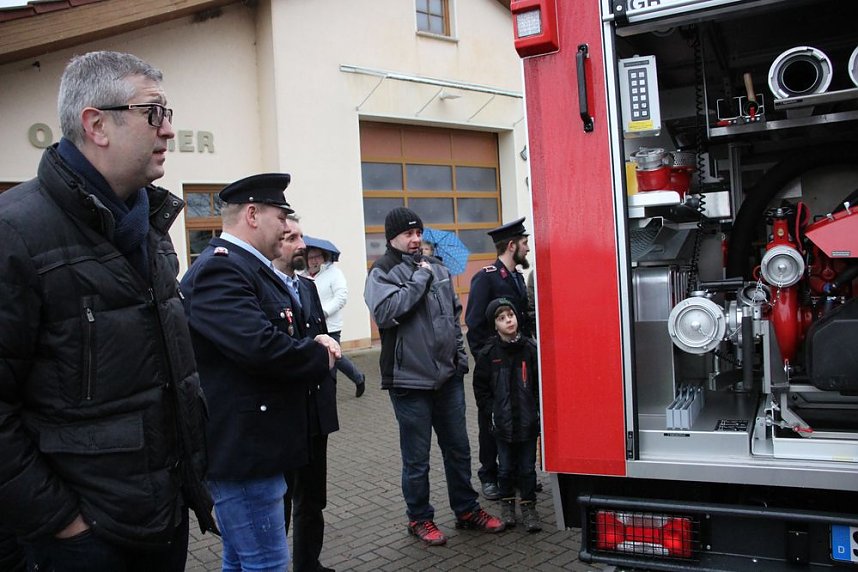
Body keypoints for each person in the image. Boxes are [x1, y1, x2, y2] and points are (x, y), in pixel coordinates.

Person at [0, 50, 216, 571]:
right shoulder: (15, 233)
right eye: (154, 112)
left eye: (168, 114)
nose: (168, 130)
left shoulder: (149, 226)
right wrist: (62, 522)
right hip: (80, 541)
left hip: (163, 517)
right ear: (96, 124)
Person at [180, 173, 340, 571]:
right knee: (265, 564)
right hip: (245, 453)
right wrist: (318, 355)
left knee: (242, 562)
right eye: (280, 217)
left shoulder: (248, 267)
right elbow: (260, 347)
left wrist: (310, 342)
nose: (286, 227)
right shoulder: (221, 270)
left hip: (258, 448)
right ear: (252, 214)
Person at [364, 206, 506, 547]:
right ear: (392, 237)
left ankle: (466, 510)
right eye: (408, 234)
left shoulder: (437, 266)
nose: (416, 239)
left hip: (448, 378)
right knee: (417, 459)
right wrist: (418, 280)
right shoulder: (382, 272)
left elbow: (453, 316)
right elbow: (385, 313)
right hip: (409, 382)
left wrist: (459, 357)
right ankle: (419, 518)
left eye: (418, 233)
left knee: (459, 449)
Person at [274, 217, 339, 572]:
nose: (301, 245)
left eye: (301, 237)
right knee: (280, 501)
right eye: (291, 238)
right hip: (286, 415)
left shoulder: (308, 287)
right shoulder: (263, 288)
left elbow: (323, 342)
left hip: (315, 410)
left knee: (313, 499)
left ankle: (308, 564)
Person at [464, 217, 533, 501]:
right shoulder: (486, 277)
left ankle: (514, 474)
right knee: (491, 420)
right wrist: (488, 360)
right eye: (525, 243)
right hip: (495, 365)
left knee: (516, 416)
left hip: (519, 363)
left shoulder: (516, 277)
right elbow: (474, 323)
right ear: (512, 245)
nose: (528, 248)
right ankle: (489, 475)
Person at [473, 298, 542, 533]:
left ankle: (529, 507)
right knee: (504, 468)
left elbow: (539, 385)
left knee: (527, 468)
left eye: (510, 315)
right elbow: (481, 388)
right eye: (501, 318)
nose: (508, 321)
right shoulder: (488, 354)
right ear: (494, 325)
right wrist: (491, 411)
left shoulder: (530, 349)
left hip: (527, 422)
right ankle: (508, 506)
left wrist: (537, 411)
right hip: (502, 424)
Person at [303, 242, 367, 398]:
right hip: (311, 325)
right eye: (310, 257)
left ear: (324, 257)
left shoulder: (334, 273)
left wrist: (323, 313)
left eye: (317, 256)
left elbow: (341, 297)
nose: (314, 261)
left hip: (330, 325)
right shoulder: (302, 275)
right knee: (319, 359)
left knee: (335, 358)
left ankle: (354, 380)